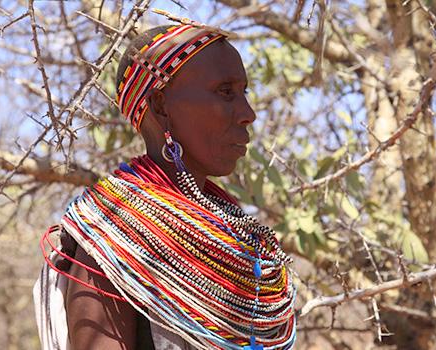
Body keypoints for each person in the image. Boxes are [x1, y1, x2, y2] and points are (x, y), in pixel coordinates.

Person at [33, 23, 297, 350]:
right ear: (160, 106)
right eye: (226, 92)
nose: (248, 113)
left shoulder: (236, 233)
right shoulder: (110, 239)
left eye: (244, 92)